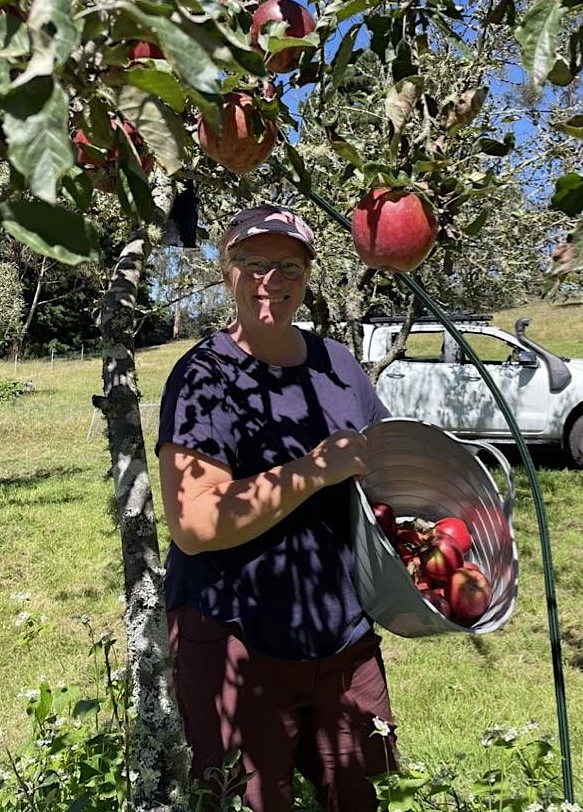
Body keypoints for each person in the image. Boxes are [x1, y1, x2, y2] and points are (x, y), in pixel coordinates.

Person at [157, 202, 397, 812]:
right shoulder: (203, 376)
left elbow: (383, 472)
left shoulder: (339, 365)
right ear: (225, 271)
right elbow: (195, 523)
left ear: (309, 275)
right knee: (249, 800)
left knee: (358, 793)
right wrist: (314, 469)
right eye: (253, 263)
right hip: (238, 639)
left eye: (290, 266)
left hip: (342, 632)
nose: (272, 280)